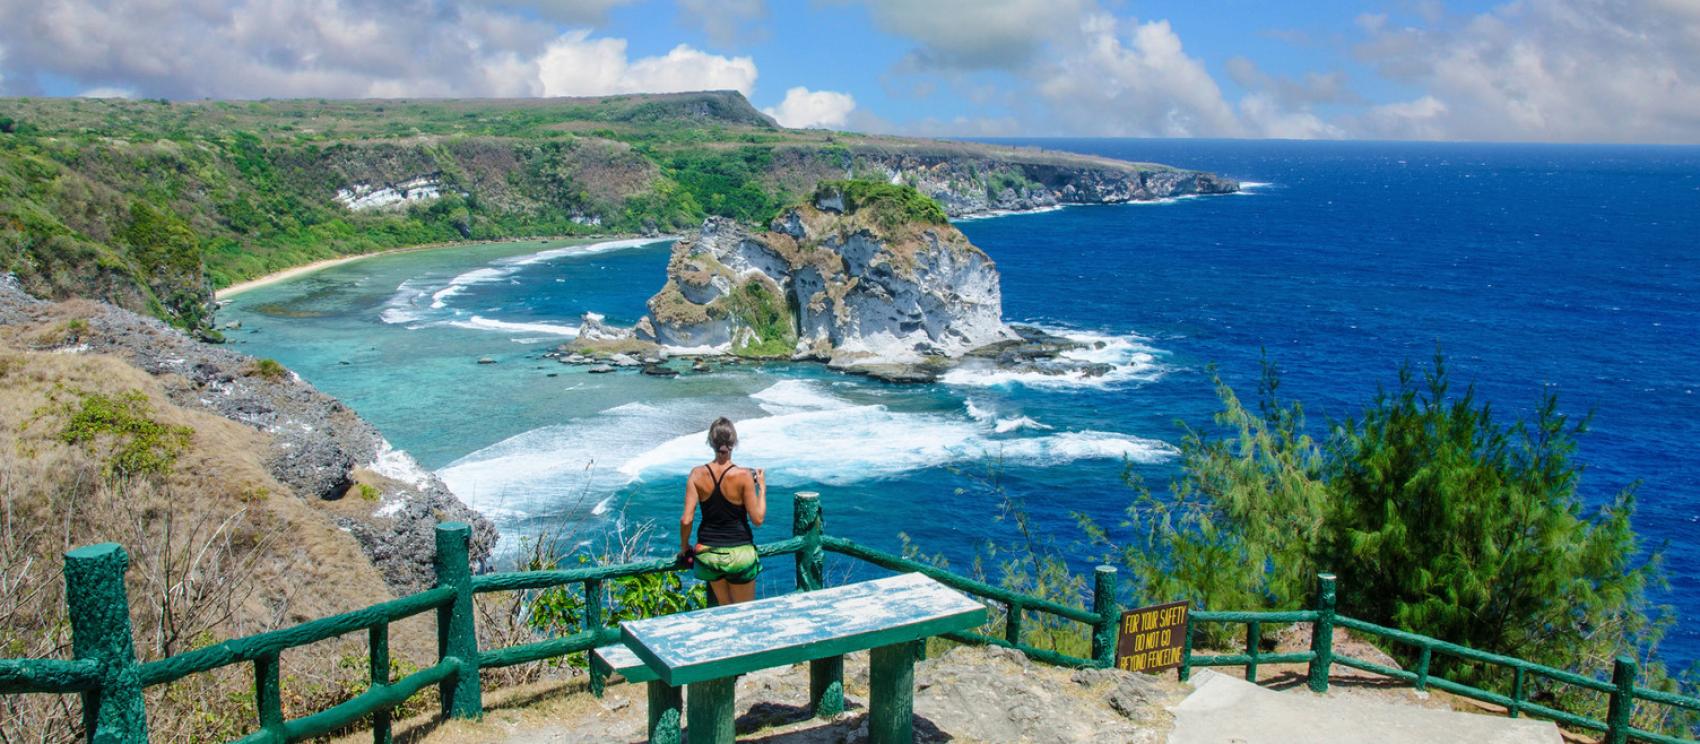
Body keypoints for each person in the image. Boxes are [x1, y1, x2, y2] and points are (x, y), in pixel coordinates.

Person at [679, 417, 766, 605]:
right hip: (739, 553)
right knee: (744, 613)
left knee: (725, 611)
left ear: (710, 442)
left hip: (708, 554)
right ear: (734, 442)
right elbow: (758, 519)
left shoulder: (696, 474)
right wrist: (762, 489)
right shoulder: (743, 476)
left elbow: (686, 519)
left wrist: (684, 546)